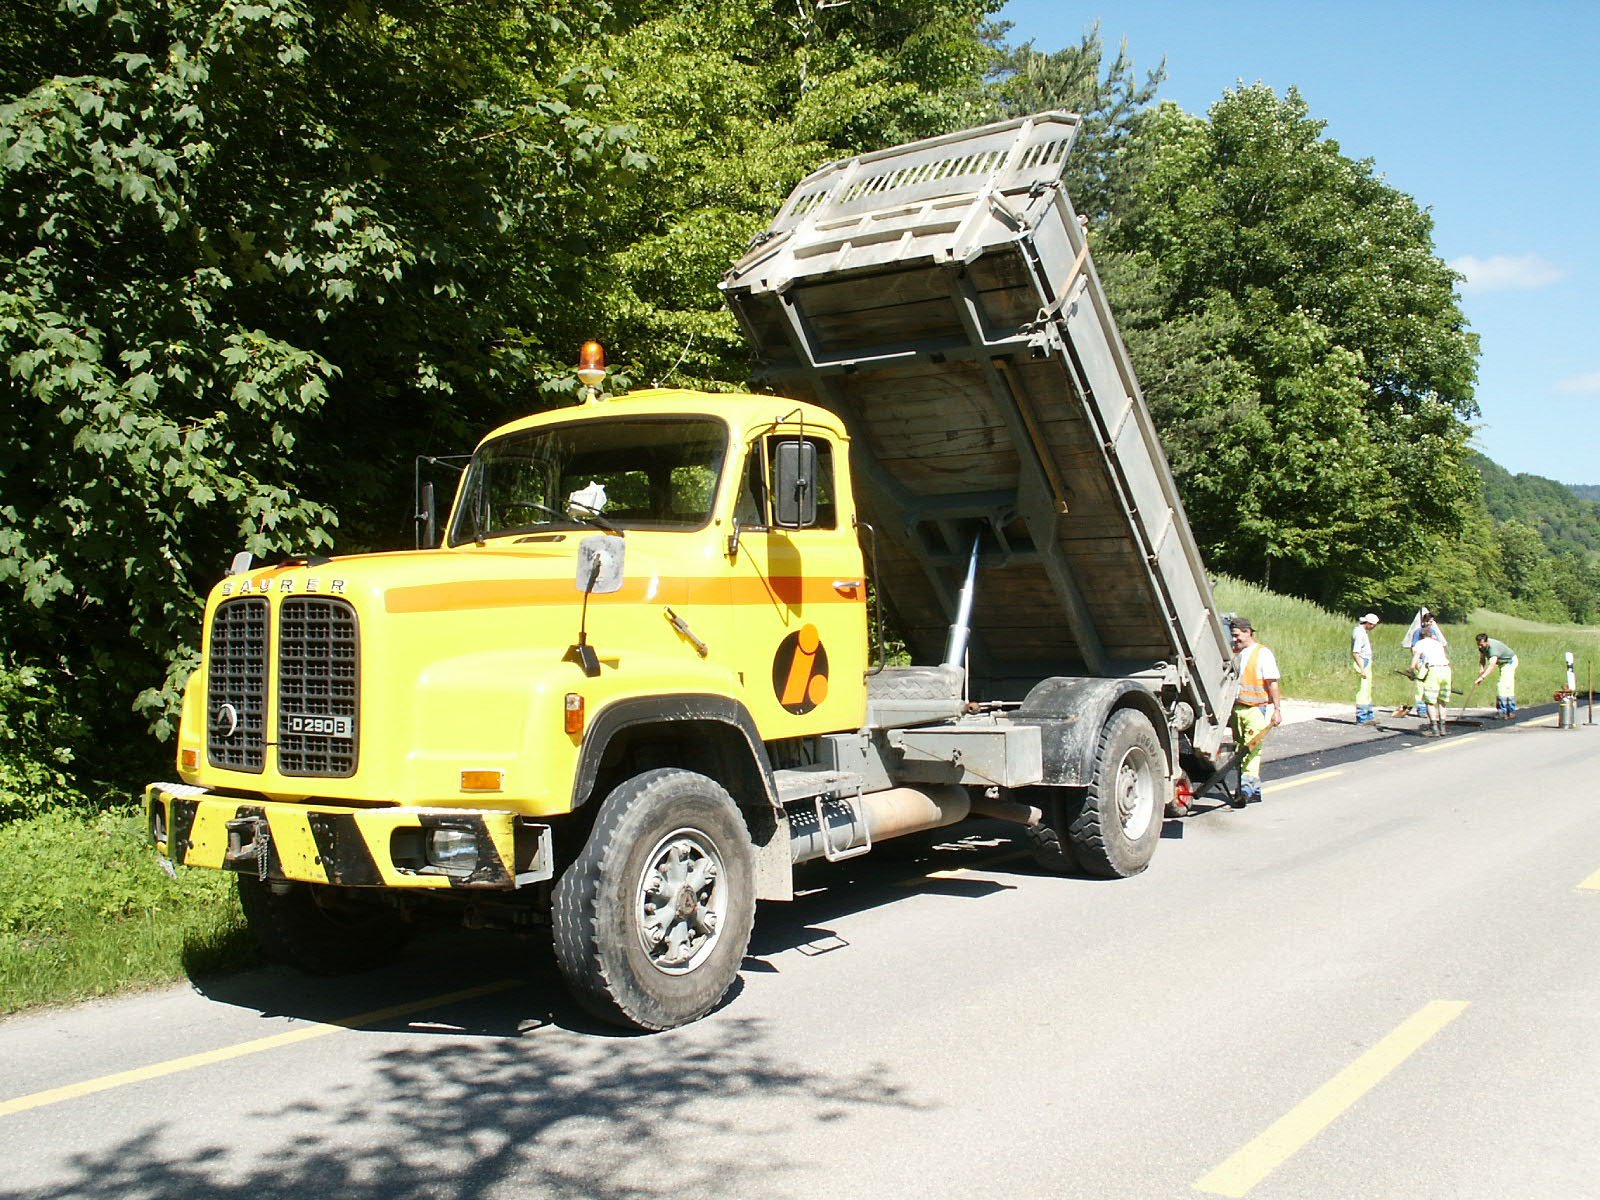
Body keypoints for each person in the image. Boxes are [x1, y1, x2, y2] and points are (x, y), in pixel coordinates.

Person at [1228, 617, 1282, 807]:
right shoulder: (1236, 653)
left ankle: (1246, 790)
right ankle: (1254, 791)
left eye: (1237, 635)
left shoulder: (1263, 654)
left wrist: (1277, 709)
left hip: (1255, 710)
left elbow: (1272, 683)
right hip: (1238, 709)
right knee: (1240, 750)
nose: (1235, 639)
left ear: (1248, 632)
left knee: (1252, 749)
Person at [1397, 608, 1447, 718]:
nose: (1431, 623)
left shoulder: (1433, 632)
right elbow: (1415, 648)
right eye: (1429, 621)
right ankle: (1422, 708)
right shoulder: (1418, 632)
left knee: (1430, 685)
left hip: (1433, 663)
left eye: (1432, 621)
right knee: (1420, 686)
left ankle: (1429, 705)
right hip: (1421, 662)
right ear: (1424, 621)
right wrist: (1417, 663)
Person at [1409, 628, 1452, 737]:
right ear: (1431, 635)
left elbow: (1416, 657)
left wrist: (1411, 670)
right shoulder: (1438, 643)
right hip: (1446, 670)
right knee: (1442, 701)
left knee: (1430, 701)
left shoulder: (1420, 643)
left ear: (1421, 636)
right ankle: (1443, 728)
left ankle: (1434, 729)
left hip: (1434, 670)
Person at [1474, 633, 1519, 719]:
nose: (1479, 647)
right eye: (1478, 645)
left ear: (1487, 642)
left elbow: (1492, 665)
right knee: (1507, 685)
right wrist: (1482, 669)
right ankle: (1509, 711)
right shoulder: (1482, 647)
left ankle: (1504, 712)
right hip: (1502, 663)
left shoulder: (1493, 649)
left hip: (1509, 662)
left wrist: (1482, 677)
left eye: (1481, 645)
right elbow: (1482, 658)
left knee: (1503, 685)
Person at [1350, 612, 1380, 725]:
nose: (1373, 628)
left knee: (1367, 690)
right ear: (1368, 623)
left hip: (1366, 661)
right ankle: (1361, 717)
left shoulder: (1363, 632)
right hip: (1362, 662)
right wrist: (1362, 668)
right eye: (1373, 625)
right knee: (1362, 691)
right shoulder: (1359, 633)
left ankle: (1368, 716)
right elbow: (1356, 652)